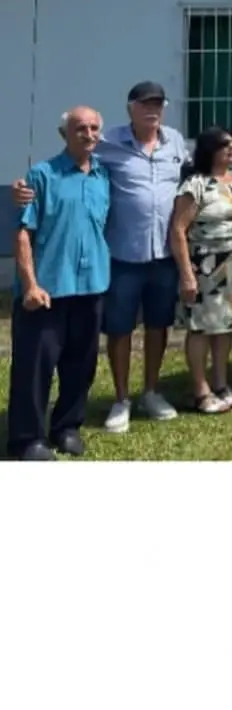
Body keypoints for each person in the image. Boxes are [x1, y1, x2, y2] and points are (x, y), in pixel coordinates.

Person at [13, 81, 193, 434]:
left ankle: (142, 395)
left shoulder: (172, 144)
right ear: (131, 109)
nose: (89, 134)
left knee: (148, 329)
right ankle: (118, 400)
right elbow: (30, 220)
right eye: (145, 104)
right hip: (114, 260)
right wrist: (22, 189)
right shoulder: (100, 147)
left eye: (158, 103)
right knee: (115, 330)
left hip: (149, 260)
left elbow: (197, 173)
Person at [5, 107, 110, 461]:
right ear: (64, 133)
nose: (89, 134)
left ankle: (67, 427)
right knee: (34, 368)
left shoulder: (103, 174)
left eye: (94, 128)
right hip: (46, 290)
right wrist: (30, 285)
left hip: (91, 286)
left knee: (81, 365)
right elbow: (23, 233)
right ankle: (27, 439)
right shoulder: (42, 175)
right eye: (80, 128)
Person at [169, 127, 232, 414]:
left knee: (225, 326)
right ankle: (200, 390)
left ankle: (221, 383)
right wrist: (186, 274)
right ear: (209, 150)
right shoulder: (196, 185)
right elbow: (178, 230)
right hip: (205, 267)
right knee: (202, 328)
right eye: (224, 145)